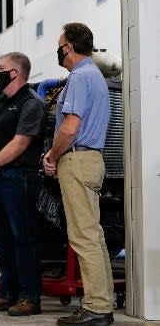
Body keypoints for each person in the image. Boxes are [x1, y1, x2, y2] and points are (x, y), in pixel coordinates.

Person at [43, 23, 114, 326]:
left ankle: (97, 308)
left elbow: (70, 127)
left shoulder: (80, 76)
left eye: (60, 44)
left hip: (77, 159)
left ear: (69, 47)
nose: (58, 50)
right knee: (94, 236)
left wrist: (52, 155)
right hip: (92, 159)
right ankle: (102, 302)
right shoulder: (96, 76)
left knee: (83, 237)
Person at [0, 52, 44, 316]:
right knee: (2, 239)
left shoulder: (31, 102)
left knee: (22, 238)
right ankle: (6, 293)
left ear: (15, 73)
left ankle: (29, 297)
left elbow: (21, 142)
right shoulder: (0, 103)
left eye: (1, 69)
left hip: (19, 178)